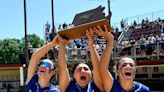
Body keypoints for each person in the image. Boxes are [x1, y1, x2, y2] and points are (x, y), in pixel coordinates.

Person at [57, 26, 106, 92]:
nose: (83, 71)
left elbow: (97, 68)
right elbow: (62, 67)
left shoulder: (96, 86)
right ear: (73, 75)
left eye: (86, 69)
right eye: (79, 69)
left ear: (91, 74)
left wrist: (91, 46)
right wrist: (62, 44)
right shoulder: (67, 87)